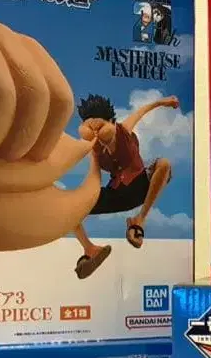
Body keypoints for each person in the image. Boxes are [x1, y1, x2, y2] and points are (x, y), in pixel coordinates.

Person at [72, 93, 179, 279]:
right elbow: (95, 176)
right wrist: (84, 198)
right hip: (116, 193)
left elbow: (141, 111)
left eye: (99, 127)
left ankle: (139, 220)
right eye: (90, 129)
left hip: (140, 186)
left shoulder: (124, 130)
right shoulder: (95, 150)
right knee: (72, 206)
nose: (96, 134)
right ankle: (90, 249)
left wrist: (164, 102)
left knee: (164, 164)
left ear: (111, 122)